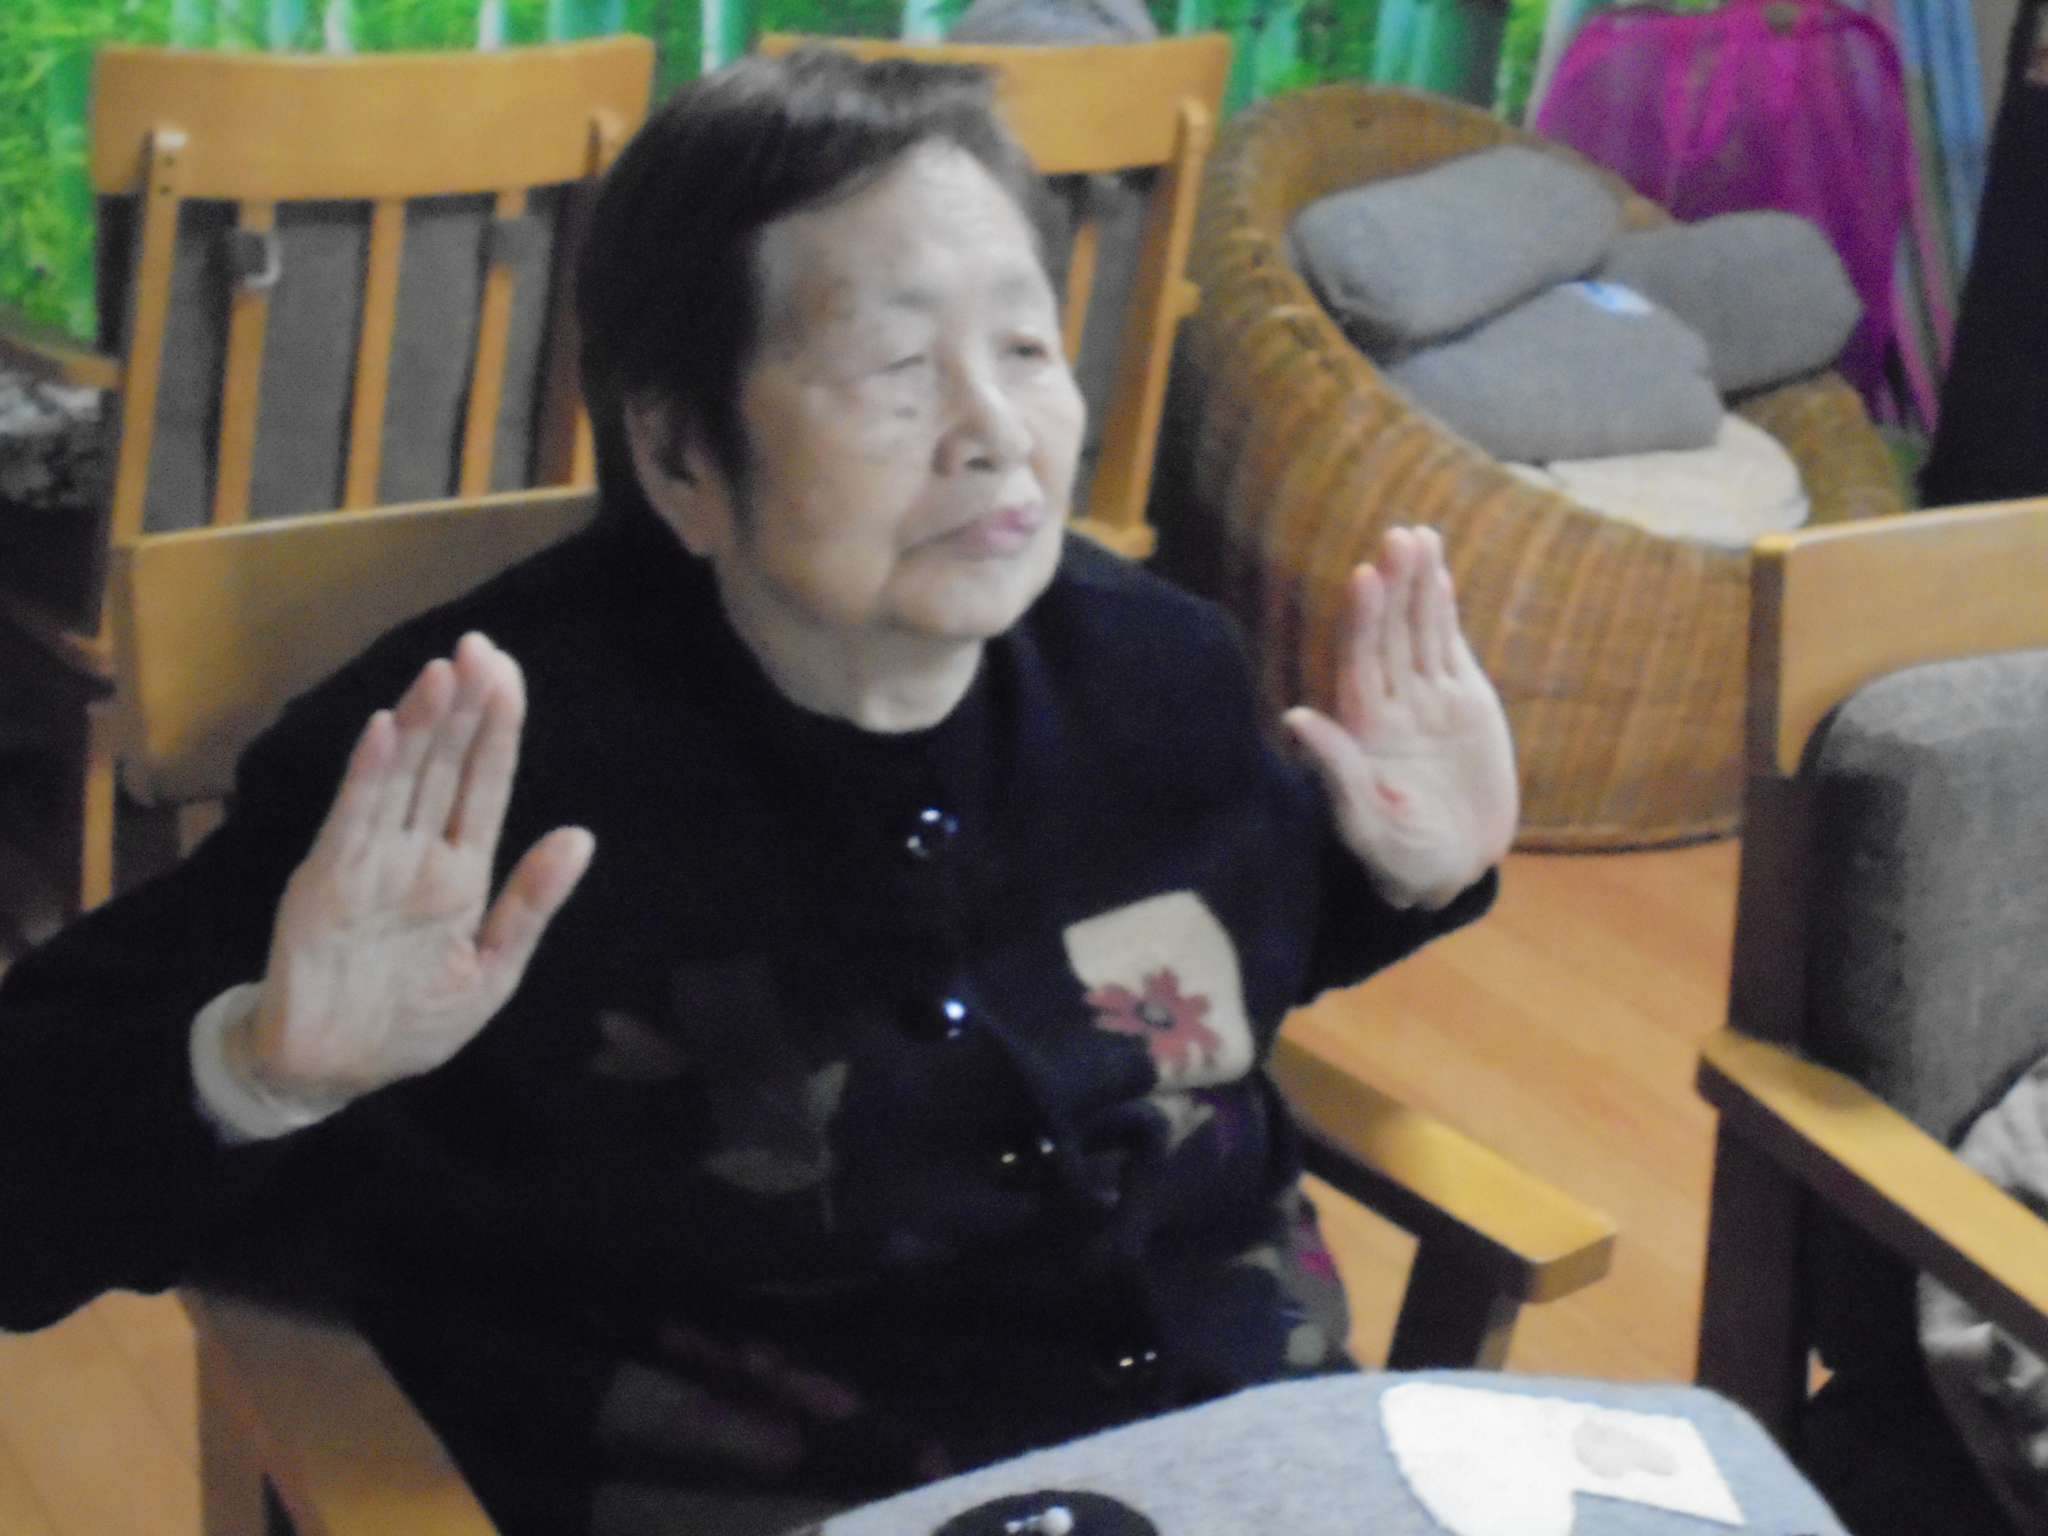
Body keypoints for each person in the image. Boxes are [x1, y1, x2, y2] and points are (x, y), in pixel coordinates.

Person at [0, 47, 1517, 1536]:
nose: (998, 431)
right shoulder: (470, 772)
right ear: (680, 454)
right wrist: (263, 1070)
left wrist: (1400, 877)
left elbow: (1176, 975)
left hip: (1253, 1452)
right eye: (898, 368)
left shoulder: (1159, 670)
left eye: (1026, 347)